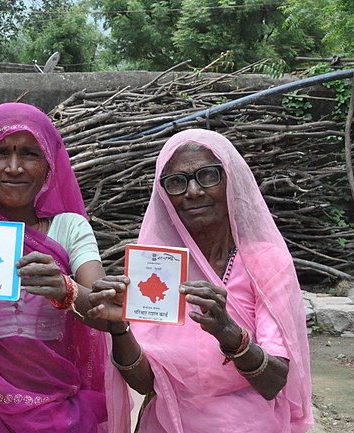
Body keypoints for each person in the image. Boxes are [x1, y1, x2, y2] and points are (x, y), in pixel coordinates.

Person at [0, 103, 130, 433]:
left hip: (58, 416)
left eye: (30, 154)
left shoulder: (68, 229)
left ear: (49, 166)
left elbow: (105, 312)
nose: (14, 168)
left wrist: (66, 289)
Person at [88, 129, 313, 432]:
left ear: (230, 181)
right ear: (164, 195)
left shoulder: (264, 262)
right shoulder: (159, 267)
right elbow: (145, 383)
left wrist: (229, 333)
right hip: (168, 422)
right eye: (177, 182)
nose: (193, 191)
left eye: (208, 175)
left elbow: (273, 382)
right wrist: (119, 327)